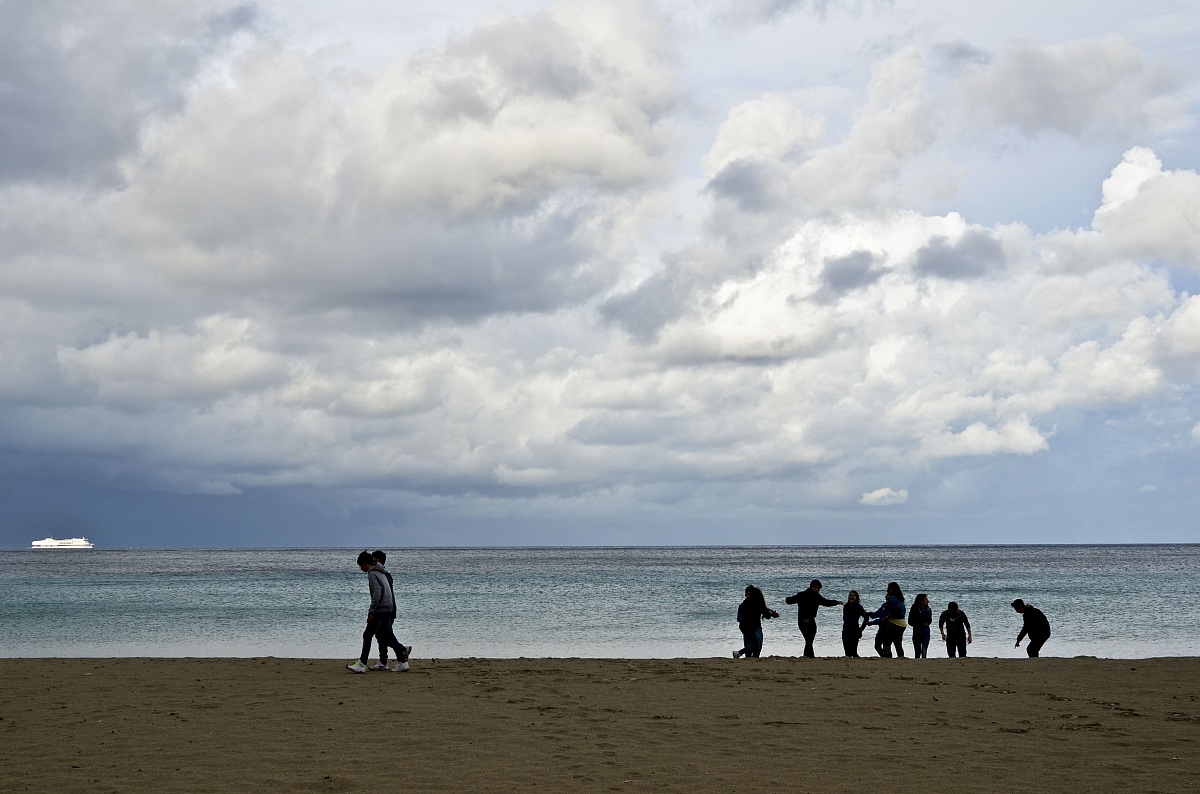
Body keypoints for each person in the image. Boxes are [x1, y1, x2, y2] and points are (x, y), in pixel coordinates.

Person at [347, 551, 411, 673]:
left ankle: (362, 664)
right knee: (388, 637)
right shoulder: (383, 573)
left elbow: (376, 595)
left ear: (365, 563)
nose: (361, 569)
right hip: (388, 608)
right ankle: (403, 661)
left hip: (380, 610)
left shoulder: (372, 575)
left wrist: (371, 612)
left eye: (361, 566)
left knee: (367, 635)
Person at [368, 550, 412, 671]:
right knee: (381, 636)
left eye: (374, 560)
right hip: (387, 609)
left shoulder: (383, 575)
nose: (372, 563)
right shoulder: (383, 574)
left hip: (387, 610)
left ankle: (400, 651)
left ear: (379, 561)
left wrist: (374, 610)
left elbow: (382, 595)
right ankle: (385, 660)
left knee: (384, 635)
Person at [784, 579, 843, 657]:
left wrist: (788, 598)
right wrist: (837, 602)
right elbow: (826, 602)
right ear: (815, 587)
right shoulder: (816, 596)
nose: (819, 591)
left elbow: (788, 601)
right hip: (811, 621)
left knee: (808, 640)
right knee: (809, 640)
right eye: (819, 589)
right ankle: (809, 657)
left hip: (801, 621)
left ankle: (808, 656)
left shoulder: (801, 595)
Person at [733, 585, 780, 658]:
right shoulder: (756, 603)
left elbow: (765, 610)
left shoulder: (744, 604)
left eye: (748, 594)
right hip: (753, 628)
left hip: (745, 628)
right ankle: (739, 653)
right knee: (757, 645)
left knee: (751, 645)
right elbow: (766, 612)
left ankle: (743, 655)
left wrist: (772, 613)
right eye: (746, 594)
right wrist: (772, 613)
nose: (747, 596)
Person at [868, 582, 907, 658]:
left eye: (889, 588)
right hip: (902, 623)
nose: (887, 590)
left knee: (887, 642)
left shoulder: (892, 598)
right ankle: (901, 658)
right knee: (898, 644)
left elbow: (893, 609)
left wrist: (889, 616)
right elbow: (903, 612)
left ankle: (887, 658)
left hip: (894, 623)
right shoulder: (901, 599)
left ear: (893, 589)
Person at [841, 590, 869, 658]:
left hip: (855, 631)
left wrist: (861, 629)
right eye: (850, 595)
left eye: (853, 595)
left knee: (854, 652)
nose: (851, 597)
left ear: (856, 597)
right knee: (847, 653)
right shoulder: (846, 606)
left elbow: (866, 617)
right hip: (845, 631)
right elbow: (844, 618)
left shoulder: (859, 607)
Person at [908, 593, 932, 658]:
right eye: (926, 599)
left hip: (925, 631)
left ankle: (924, 661)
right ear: (922, 601)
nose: (928, 601)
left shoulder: (928, 609)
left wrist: (927, 623)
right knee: (917, 651)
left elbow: (930, 620)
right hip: (917, 631)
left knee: (924, 651)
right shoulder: (915, 608)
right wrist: (918, 623)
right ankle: (918, 662)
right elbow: (910, 621)